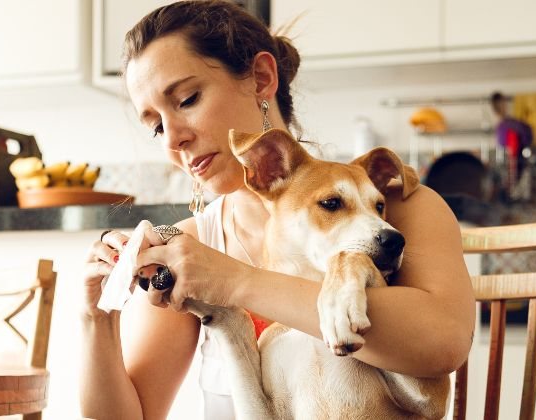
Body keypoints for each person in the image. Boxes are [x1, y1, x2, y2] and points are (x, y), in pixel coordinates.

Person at [81, 2, 475, 419]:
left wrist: (237, 282)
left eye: (187, 99)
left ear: (262, 78)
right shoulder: (191, 246)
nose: (172, 139)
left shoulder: (395, 208)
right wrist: (95, 316)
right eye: (156, 126)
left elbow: (443, 342)